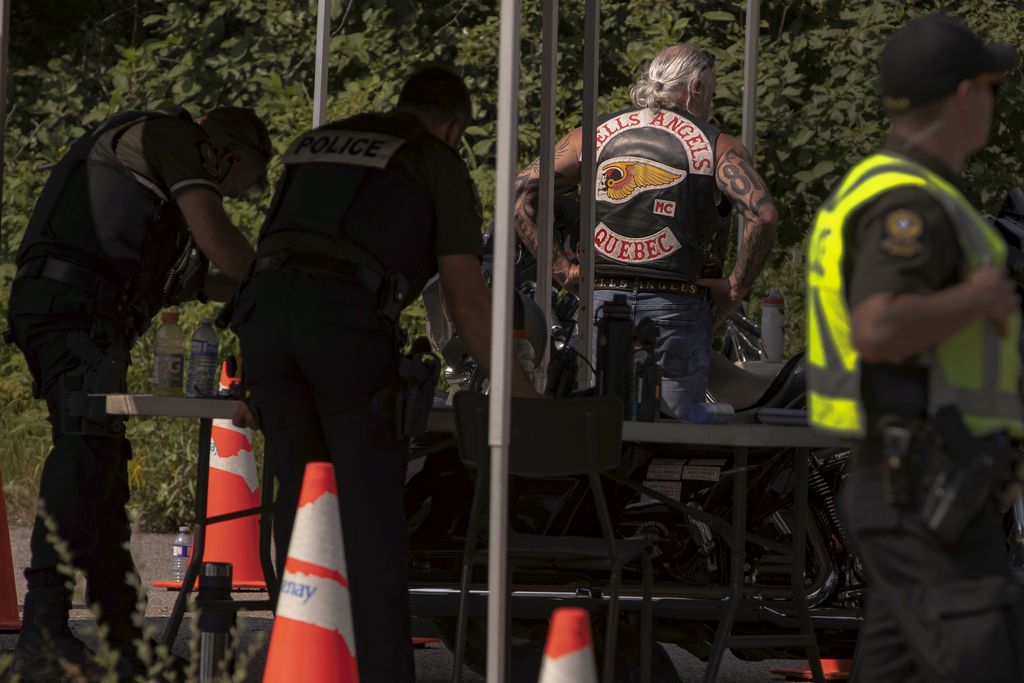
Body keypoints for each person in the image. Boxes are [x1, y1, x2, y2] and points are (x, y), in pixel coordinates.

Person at [231, 66, 536, 683]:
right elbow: (467, 302)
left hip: (263, 318)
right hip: (340, 325)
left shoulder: (317, 141)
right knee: (368, 516)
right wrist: (525, 399)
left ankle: (307, 665)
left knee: (303, 501)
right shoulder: (433, 159)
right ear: (453, 125)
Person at [4, 105, 270, 680]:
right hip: (73, 308)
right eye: (231, 184)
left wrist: (258, 285)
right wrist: (278, 282)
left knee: (101, 466)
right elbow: (220, 242)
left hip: (82, 314)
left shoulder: (157, 179)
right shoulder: (168, 136)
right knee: (83, 453)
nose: (224, 194)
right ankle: (44, 633)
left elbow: (203, 276)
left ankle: (121, 639)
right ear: (227, 153)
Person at [806, 14, 1024, 682]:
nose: (994, 104)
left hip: (919, 484)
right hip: (927, 494)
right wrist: (981, 296)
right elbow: (878, 325)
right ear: (965, 95)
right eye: (991, 88)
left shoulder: (895, 188)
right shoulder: (910, 202)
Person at [513, 43, 778, 419]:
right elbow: (763, 216)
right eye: (713, 93)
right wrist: (736, 287)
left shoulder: (592, 135)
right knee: (670, 438)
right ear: (698, 87)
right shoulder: (717, 145)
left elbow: (522, 191)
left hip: (599, 302)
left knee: (591, 429)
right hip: (676, 307)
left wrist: (560, 268)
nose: (711, 103)